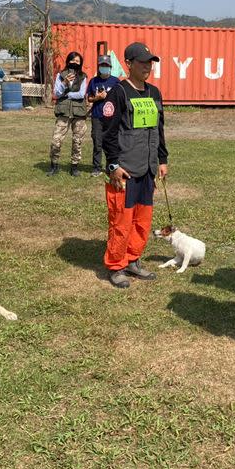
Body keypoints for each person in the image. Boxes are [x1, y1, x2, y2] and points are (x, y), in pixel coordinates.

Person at [101, 42, 168, 289]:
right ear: (129, 64)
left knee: (142, 220)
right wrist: (113, 166)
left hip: (148, 169)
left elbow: (159, 129)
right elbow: (106, 134)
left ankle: (133, 260)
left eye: (150, 61)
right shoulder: (117, 93)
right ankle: (117, 266)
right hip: (126, 169)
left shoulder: (154, 93)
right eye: (142, 62)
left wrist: (162, 160)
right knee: (121, 220)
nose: (147, 66)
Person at [48, 51, 88, 177]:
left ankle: (74, 167)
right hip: (63, 112)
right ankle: (54, 166)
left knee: (77, 141)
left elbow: (81, 94)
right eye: (73, 60)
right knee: (56, 140)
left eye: (78, 61)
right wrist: (65, 83)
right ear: (68, 61)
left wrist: (67, 94)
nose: (75, 63)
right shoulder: (61, 75)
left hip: (78, 113)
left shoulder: (83, 76)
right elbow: (57, 93)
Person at [86, 55, 120, 177]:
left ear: (110, 67)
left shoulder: (116, 81)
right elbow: (89, 98)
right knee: (97, 142)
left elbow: (120, 99)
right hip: (97, 116)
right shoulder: (93, 81)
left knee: (110, 143)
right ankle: (96, 168)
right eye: (102, 66)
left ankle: (110, 167)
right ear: (99, 67)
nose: (104, 68)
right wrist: (97, 98)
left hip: (111, 117)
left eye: (106, 65)